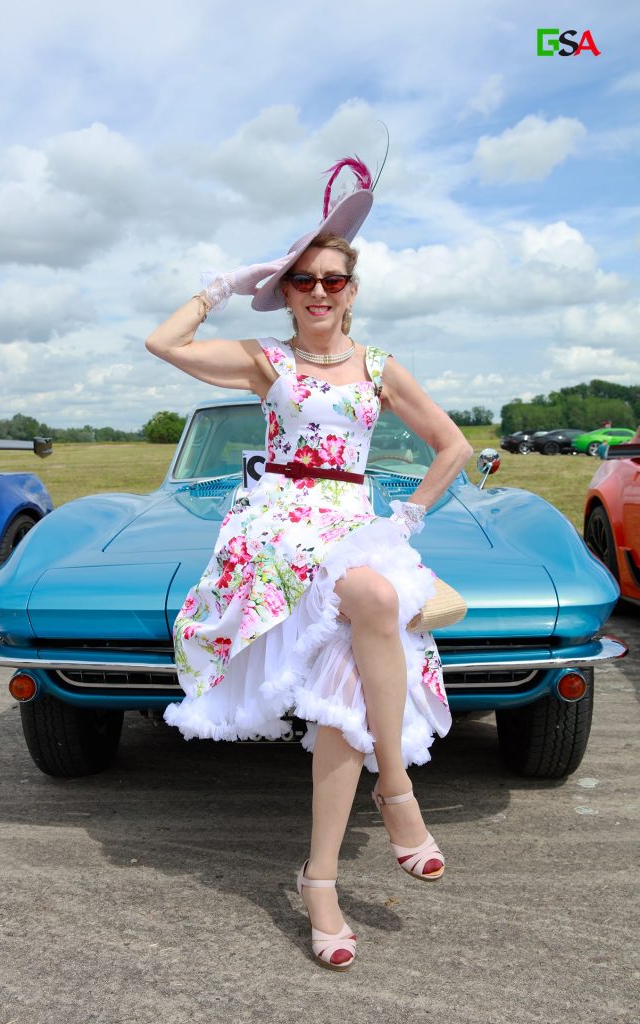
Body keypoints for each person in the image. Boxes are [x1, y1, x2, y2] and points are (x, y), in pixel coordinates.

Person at [145, 158, 473, 971]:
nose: (319, 292)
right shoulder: (265, 361)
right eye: (301, 281)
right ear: (285, 292)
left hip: (353, 520)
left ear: (352, 289)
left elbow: (453, 446)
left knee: (344, 685)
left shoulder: (379, 366)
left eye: (333, 279)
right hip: (275, 528)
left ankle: (318, 878)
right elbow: (164, 341)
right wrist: (228, 281)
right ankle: (396, 795)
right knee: (366, 601)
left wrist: (410, 513)